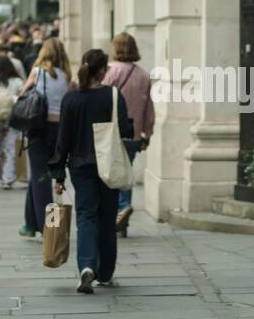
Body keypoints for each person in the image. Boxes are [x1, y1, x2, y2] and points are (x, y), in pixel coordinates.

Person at [51, 48, 133, 293]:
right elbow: (125, 129)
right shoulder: (113, 96)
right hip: (107, 164)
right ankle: (105, 273)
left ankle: (86, 265)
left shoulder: (71, 99)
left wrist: (58, 174)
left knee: (86, 216)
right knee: (107, 218)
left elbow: (62, 139)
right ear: (101, 71)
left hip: (79, 165)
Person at [102, 33, 155, 237]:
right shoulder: (143, 75)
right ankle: (122, 222)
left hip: (112, 132)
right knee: (126, 174)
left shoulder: (111, 72)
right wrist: (147, 134)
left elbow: (102, 99)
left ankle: (121, 208)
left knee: (112, 175)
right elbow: (149, 109)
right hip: (133, 134)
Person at [18, 38, 71, 239]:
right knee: (41, 175)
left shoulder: (38, 73)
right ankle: (30, 224)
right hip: (60, 129)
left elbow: (22, 94)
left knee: (40, 177)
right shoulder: (66, 76)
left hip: (39, 128)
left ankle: (47, 227)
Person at [0, 54, 24, 189]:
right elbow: (22, 98)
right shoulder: (18, 82)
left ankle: (0, 176)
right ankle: (9, 176)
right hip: (12, 118)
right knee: (11, 148)